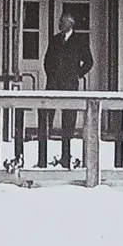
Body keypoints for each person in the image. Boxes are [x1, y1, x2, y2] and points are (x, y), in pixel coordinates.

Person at [41, 13, 93, 166]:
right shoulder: (55, 39)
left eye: (63, 22)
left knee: (68, 122)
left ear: (70, 24)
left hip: (69, 85)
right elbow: (47, 59)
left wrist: (77, 74)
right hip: (52, 85)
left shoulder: (79, 41)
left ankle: (66, 156)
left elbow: (89, 61)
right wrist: (50, 74)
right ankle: (42, 157)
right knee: (46, 118)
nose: (60, 25)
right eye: (59, 22)